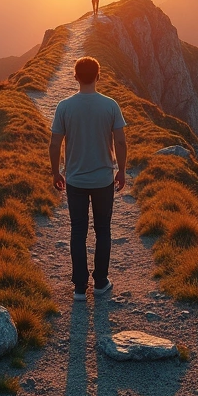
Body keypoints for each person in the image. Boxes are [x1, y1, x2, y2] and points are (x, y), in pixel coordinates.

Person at [49, 56, 127, 301]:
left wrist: (55, 171)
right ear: (98, 76)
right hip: (103, 179)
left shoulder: (64, 107)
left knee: (78, 231)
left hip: (75, 181)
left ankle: (80, 288)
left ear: (75, 77)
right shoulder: (111, 106)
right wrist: (121, 170)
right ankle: (101, 282)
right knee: (103, 229)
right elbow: (121, 141)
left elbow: (54, 143)